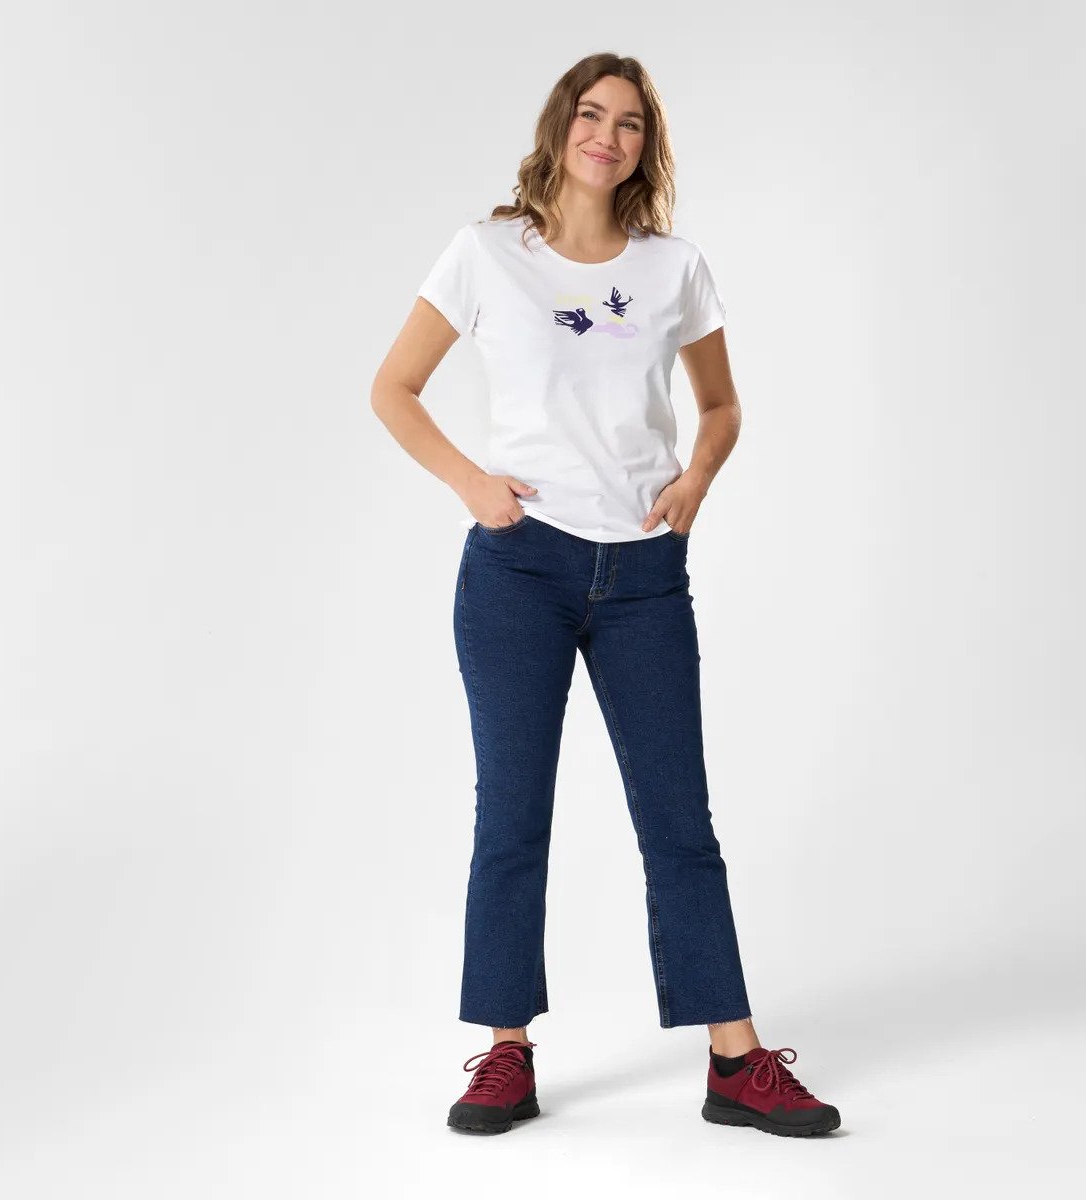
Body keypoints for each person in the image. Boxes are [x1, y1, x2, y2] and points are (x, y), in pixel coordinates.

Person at [370, 52, 842, 1140]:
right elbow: (392, 387)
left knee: (680, 821)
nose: (608, 135)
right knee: (512, 817)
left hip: (642, 578)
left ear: (644, 146)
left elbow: (720, 406)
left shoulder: (675, 268)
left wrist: (696, 482)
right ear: (561, 125)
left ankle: (735, 1060)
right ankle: (506, 1050)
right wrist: (474, 485)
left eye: (630, 122)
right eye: (592, 114)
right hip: (519, 569)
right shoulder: (486, 253)